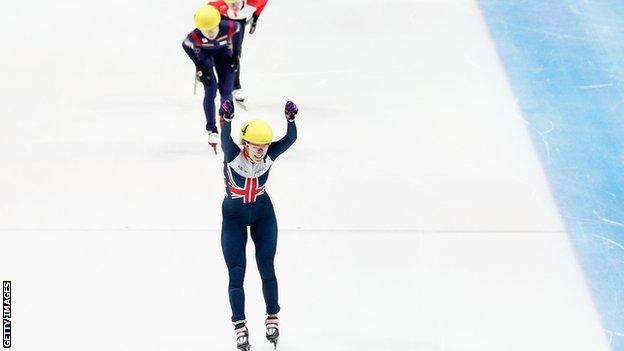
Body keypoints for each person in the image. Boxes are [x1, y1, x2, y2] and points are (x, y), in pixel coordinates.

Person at [218, 99, 298, 351]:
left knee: (266, 266)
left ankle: (272, 316)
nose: (261, 151)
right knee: (236, 271)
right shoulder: (233, 155)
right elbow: (225, 138)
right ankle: (239, 325)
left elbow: (289, 139)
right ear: (245, 144)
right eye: (256, 146)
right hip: (234, 217)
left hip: (263, 214)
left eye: (264, 147)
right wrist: (227, 119)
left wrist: (291, 119)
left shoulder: (269, 154)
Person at [182, 5, 240, 151]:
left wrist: (236, 53)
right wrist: (198, 65)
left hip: (223, 55)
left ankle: (223, 117)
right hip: (205, 56)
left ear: (218, 23)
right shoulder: (194, 36)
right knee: (211, 91)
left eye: (213, 29)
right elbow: (186, 45)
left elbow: (239, 29)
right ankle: (211, 129)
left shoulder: (229, 26)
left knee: (227, 91)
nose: (211, 33)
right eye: (206, 31)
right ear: (199, 29)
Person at [209, 0, 269, 106]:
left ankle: (235, 85)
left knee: (235, 54)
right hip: (221, 19)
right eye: (231, 4)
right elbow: (207, 9)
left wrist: (256, 17)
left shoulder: (256, 1)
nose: (234, 7)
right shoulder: (219, 4)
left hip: (238, 22)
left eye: (236, 4)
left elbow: (264, 2)